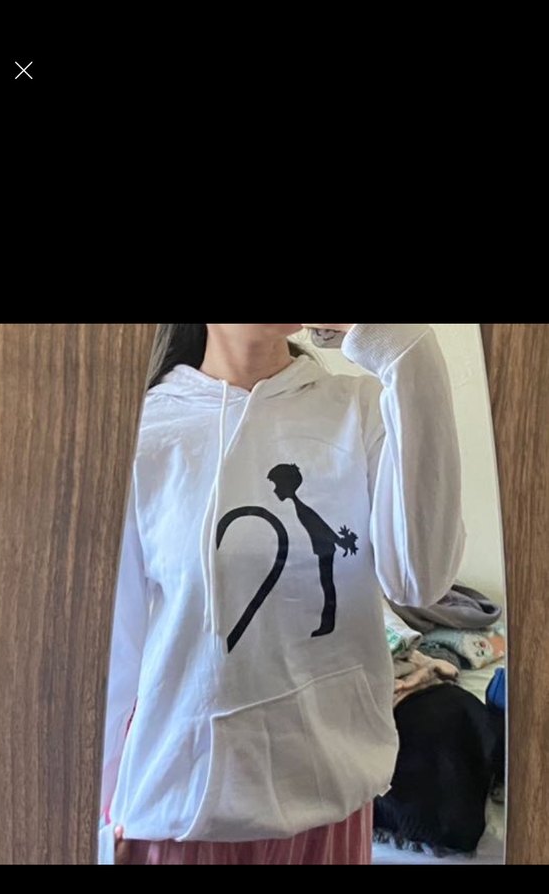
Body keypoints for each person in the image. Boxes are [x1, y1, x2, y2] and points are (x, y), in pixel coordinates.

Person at [99, 324, 466, 865]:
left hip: (332, 805)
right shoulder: (145, 429)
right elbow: (115, 651)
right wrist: (94, 814)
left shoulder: (361, 410)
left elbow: (420, 579)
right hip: (182, 814)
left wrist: (405, 350)